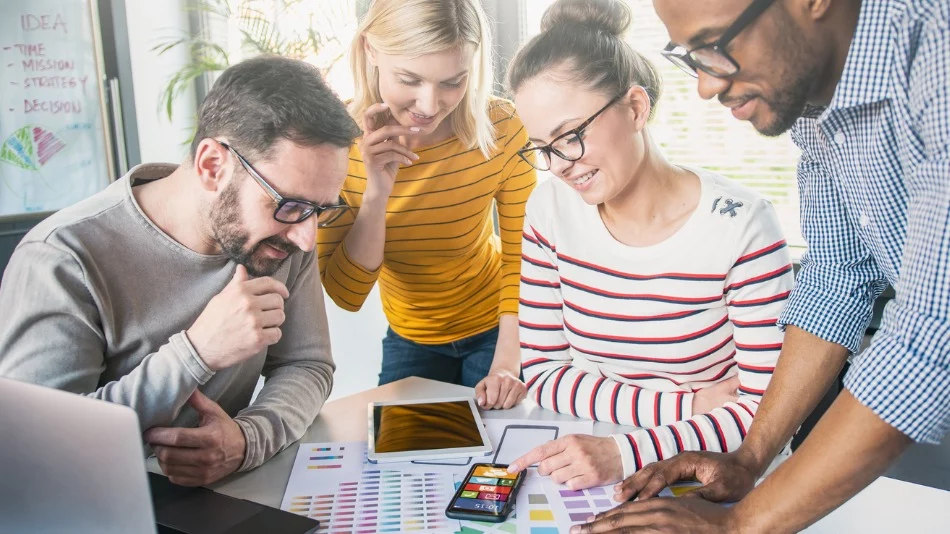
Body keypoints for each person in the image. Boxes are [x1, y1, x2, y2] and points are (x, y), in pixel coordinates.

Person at [577, 0, 950, 532]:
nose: (706, 86)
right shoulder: (817, 94)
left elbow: (932, 332)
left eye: (713, 44)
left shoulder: (939, 46)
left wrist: (739, 525)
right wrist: (750, 460)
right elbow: (835, 280)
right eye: (690, 56)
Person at [0, 56, 361, 486]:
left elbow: (306, 365)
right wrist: (196, 353)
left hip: (226, 496)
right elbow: (39, 450)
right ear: (212, 166)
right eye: (292, 206)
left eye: (321, 210)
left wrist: (247, 440)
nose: (307, 238)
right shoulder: (63, 256)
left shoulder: (282, 239)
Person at [503, 0, 795, 491]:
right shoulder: (549, 210)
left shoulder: (742, 226)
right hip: (594, 458)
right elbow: (544, 372)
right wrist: (687, 405)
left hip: (716, 466)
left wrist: (628, 450)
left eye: (570, 135)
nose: (559, 164)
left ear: (636, 107)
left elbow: (767, 413)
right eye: (542, 148)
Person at [317, 0, 537, 409]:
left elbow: (524, 255)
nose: (429, 105)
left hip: (499, 330)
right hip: (410, 336)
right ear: (371, 50)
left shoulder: (503, 128)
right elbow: (347, 293)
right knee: (394, 460)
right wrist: (377, 192)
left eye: (453, 82)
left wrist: (508, 361)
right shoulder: (334, 148)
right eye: (409, 79)